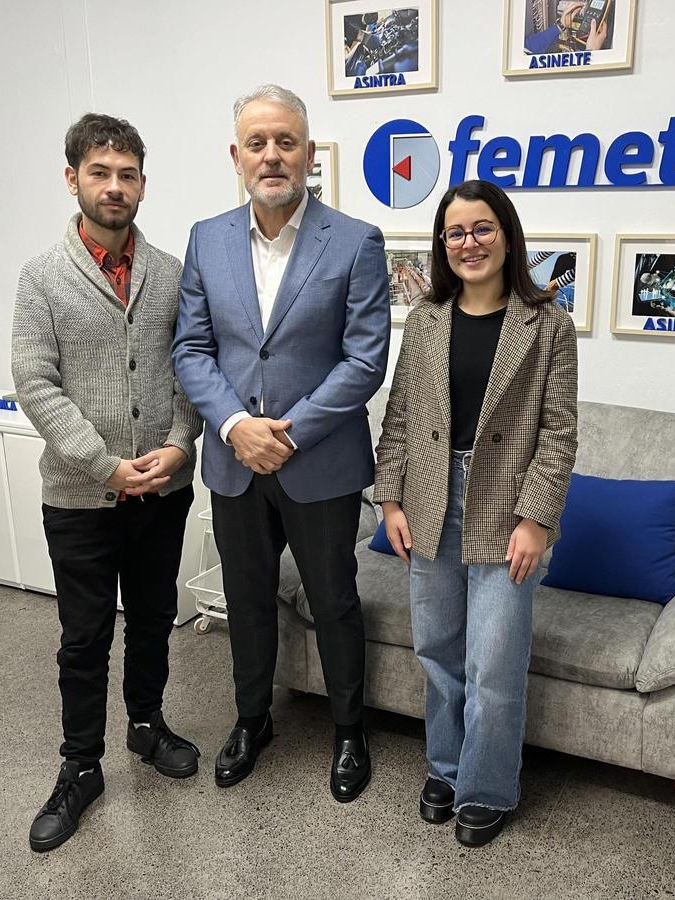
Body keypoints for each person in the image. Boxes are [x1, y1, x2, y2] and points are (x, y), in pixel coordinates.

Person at [172, 84, 390, 802]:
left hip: (318, 461)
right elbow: (192, 350)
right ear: (236, 157)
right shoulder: (207, 239)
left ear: (310, 153)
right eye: (257, 144)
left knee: (334, 600)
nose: (272, 156)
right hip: (234, 462)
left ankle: (349, 730)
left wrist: (285, 434)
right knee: (247, 598)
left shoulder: (355, 241)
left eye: (286, 142)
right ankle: (251, 719)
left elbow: (364, 360)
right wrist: (237, 426)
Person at [12, 113, 202, 852]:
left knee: (155, 616)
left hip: (162, 491)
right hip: (80, 497)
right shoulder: (41, 277)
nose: (114, 187)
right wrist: (104, 463)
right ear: (73, 179)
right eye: (100, 173)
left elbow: (191, 367)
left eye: (127, 175)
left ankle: (147, 725)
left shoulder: (171, 274)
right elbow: (35, 381)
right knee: (85, 637)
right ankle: (79, 766)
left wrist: (180, 446)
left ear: (143, 185)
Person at [373, 180, 578, 847]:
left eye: (483, 228)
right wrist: (392, 497)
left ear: (507, 235)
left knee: (494, 662)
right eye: (456, 232)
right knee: (437, 651)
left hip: (505, 508)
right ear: (443, 244)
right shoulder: (427, 317)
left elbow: (558, 431)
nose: (470, 243)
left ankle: (486, 787)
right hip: (430, 501)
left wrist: (537, 518)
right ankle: (447, 766)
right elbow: (400, 414)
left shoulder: (547, 321)